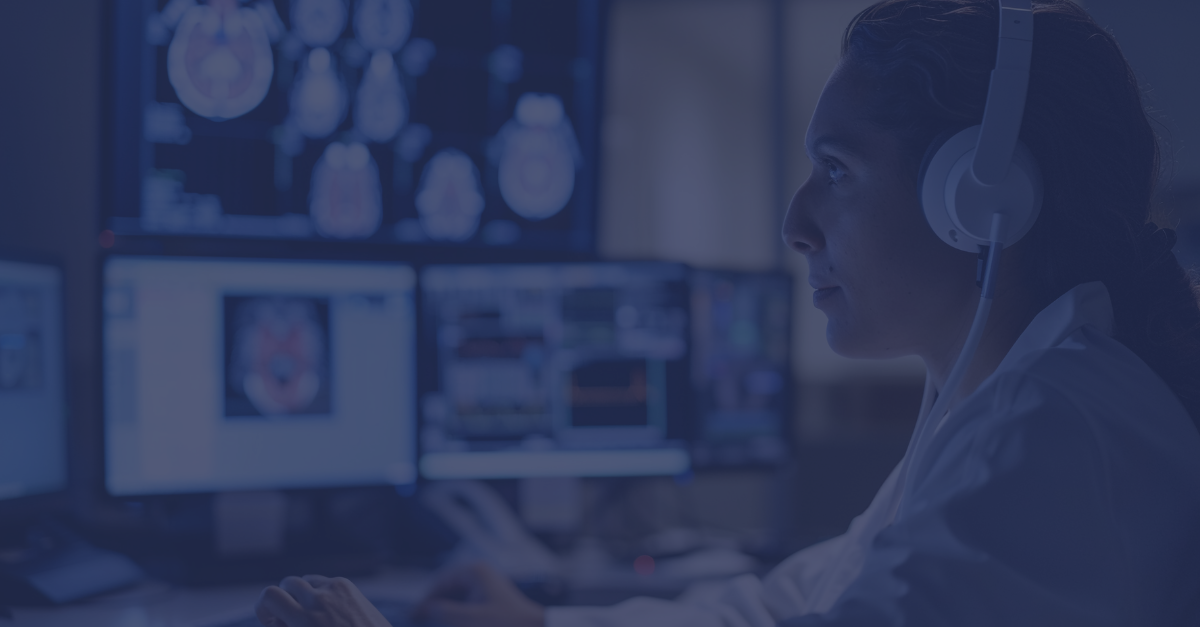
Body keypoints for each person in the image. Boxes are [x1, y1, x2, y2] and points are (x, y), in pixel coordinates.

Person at [253, 1, 1200, 625]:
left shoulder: (1050, 432)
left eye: (837, 170)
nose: (795, 221)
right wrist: (544, 623)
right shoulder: (1007, 406)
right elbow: (783, 605)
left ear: (979, 195)